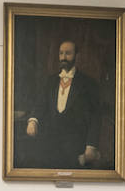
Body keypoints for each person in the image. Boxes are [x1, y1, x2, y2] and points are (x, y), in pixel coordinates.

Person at [24, 40, 102, 168]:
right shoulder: (50, 81)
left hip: (77, 147)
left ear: (77, 56)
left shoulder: (89, 84)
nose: (63, 57)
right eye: (61, 53)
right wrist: (33, 121)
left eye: (68, 53)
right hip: (50, 145)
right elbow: (40, 105)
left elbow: (95, 117)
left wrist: (91, 146)